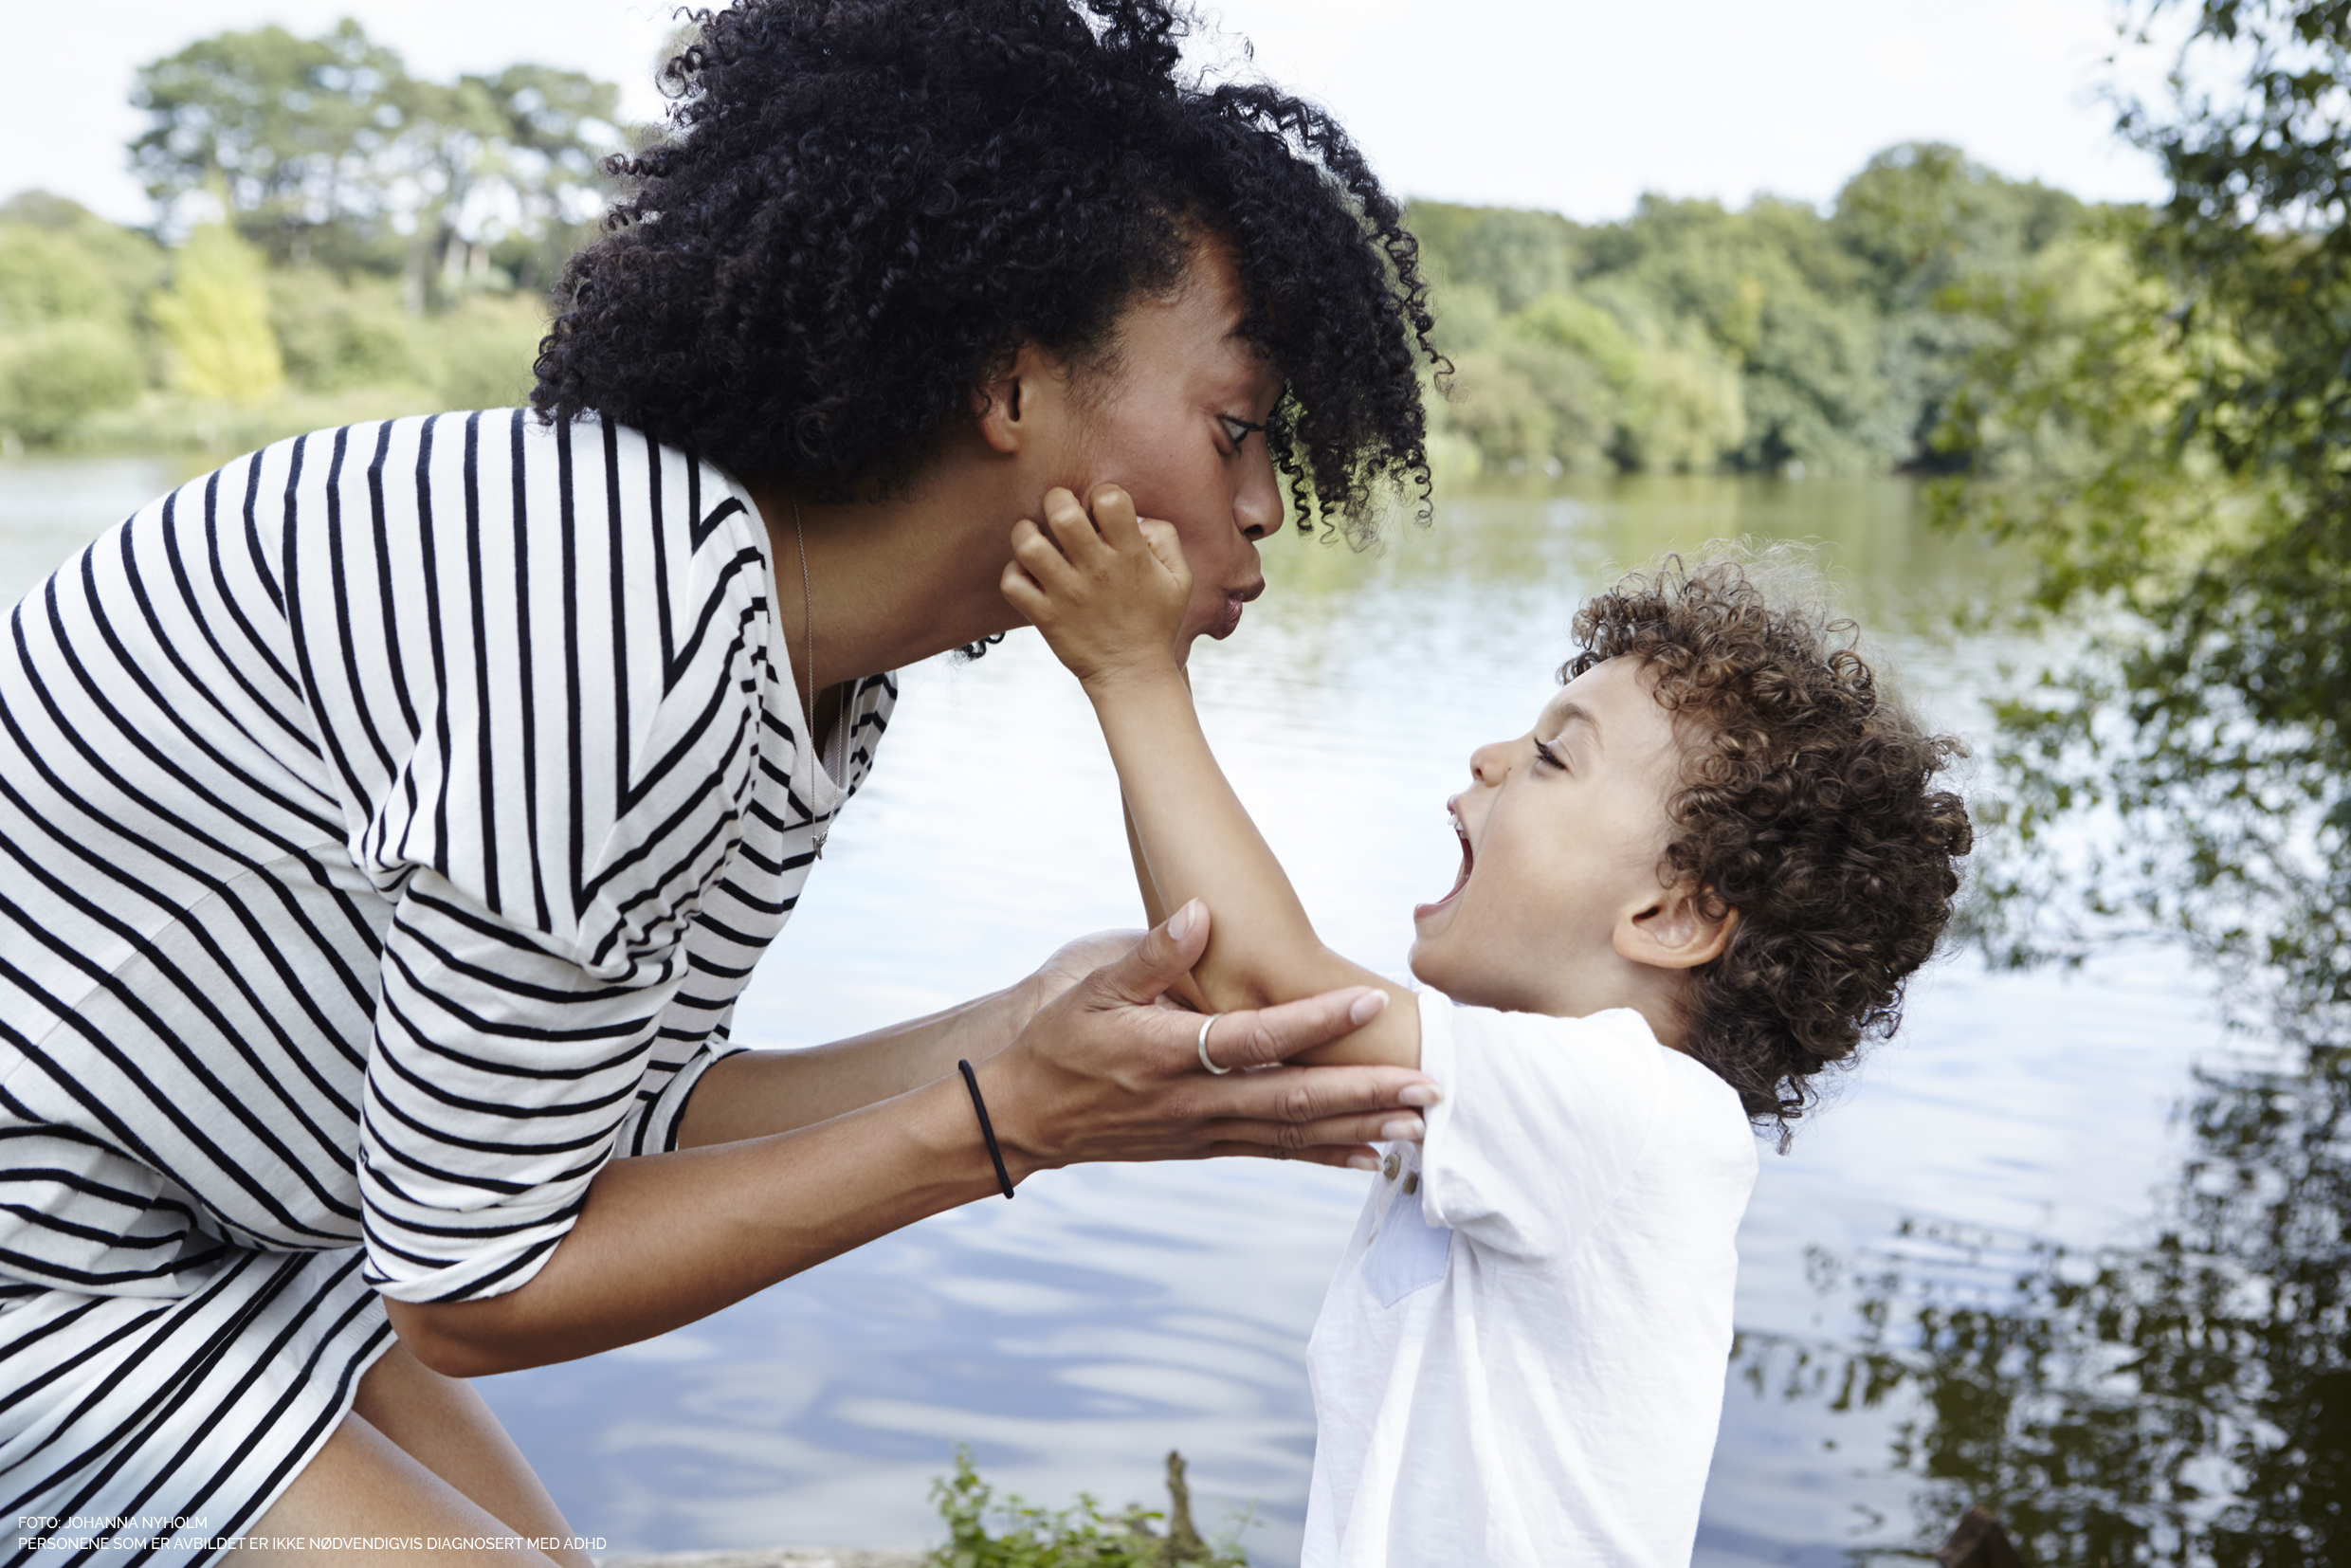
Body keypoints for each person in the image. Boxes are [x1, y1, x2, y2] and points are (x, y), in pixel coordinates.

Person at [0, 2, 1449, 1561]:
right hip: (52, 1268)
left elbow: (631, 1111)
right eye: (1234, 426)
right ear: (1010, 386)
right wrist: (1009, 1123)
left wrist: (1019, 1027)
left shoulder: (799, 654)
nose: (1265, 500)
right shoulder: (616, 623)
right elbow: (473, 1288)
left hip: (212, 1253)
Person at [1007, 491, 1976, 1567]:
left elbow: (1255, 988)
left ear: (1674, 914)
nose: (1484, 755)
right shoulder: (1524, 1115)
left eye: (1552, 758)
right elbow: (1226, 979)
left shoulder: (1638, 1115)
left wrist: (1133, 670)